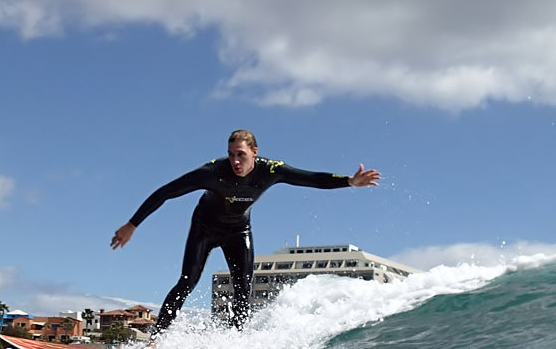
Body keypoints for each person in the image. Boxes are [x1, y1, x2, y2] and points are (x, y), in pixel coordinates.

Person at [111, 129, 380, 335]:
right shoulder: (212, 172)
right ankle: (157, 338)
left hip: (238, 231)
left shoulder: (272, 170)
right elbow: (167, 192)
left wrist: (348, 182)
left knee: (243, 289)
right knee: (187, 282)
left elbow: (310, 178)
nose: (235, 161)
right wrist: (132, 224)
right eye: (231, 154)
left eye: (241, 154)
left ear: (254, 152)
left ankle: (235, 343)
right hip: (204, 227)